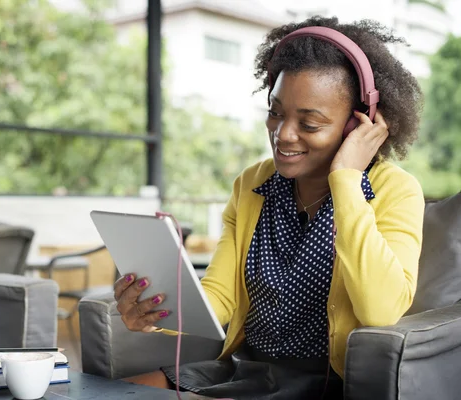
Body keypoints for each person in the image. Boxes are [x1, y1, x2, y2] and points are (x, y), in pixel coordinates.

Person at [113, 16, 425, 400]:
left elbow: (381, 310)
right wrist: (155, 312)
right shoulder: (252, 184)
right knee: (118, 393)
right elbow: (220, 297)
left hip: (323, 382)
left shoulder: (395, 190)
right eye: (276, 112)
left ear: (354, 127)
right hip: (246, 367)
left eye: (309, 124)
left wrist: (346, 178)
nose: (283, 134)